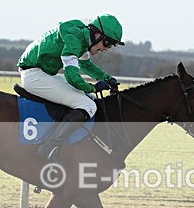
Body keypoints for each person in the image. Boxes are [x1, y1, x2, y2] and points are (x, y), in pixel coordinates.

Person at [18, 14, 124, 161]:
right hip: (34, 76)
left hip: (41, 73)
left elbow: (86, 65)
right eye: (107, 43)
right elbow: (72, 76)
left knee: (89, 99)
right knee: (88, 105)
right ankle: (48, 147)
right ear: (97, 35)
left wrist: (108, 79)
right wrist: (93, 88)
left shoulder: (80, 35)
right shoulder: (73, 39)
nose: (106, 49)